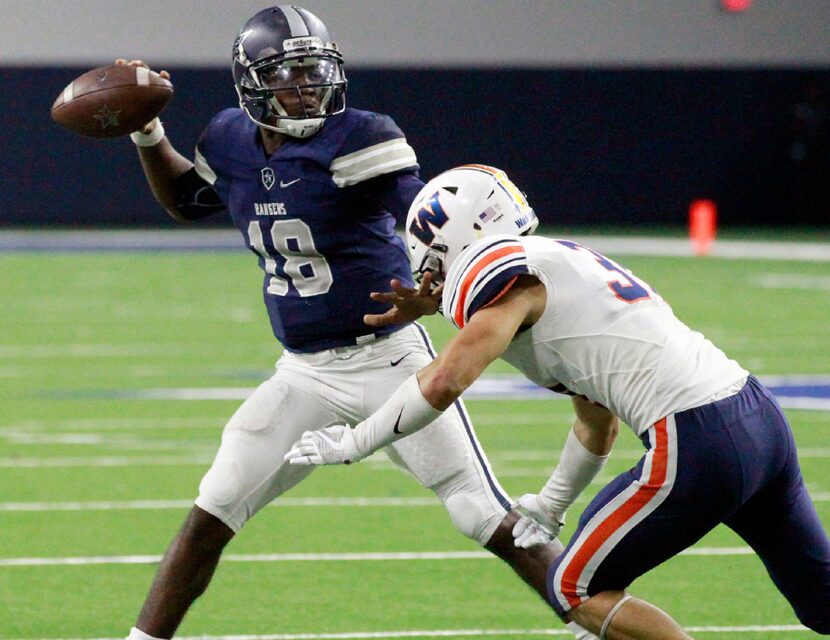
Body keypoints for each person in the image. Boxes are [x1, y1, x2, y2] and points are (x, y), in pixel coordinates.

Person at [119, 7, 563, 640]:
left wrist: (434, 291)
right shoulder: (227, 139)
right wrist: (147, 134)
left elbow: (429, 221)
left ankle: (595, 618)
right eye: (290, 75)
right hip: (302, 373)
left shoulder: (357, 137)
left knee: (480, 513)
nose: (307, 88)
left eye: (314, 72)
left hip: (389, 360)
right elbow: (190, 201)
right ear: (252, 85)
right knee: (212, 508)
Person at [285, 164, 830, 639]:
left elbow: (445, 380)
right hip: (758, 418)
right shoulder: (561, 262)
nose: (428, 276)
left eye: (431, 259)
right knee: (822, 599)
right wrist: (551, 503)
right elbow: (598, 426)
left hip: (697, 438)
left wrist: (358, 439)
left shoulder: (501, 273)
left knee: (573, 588)